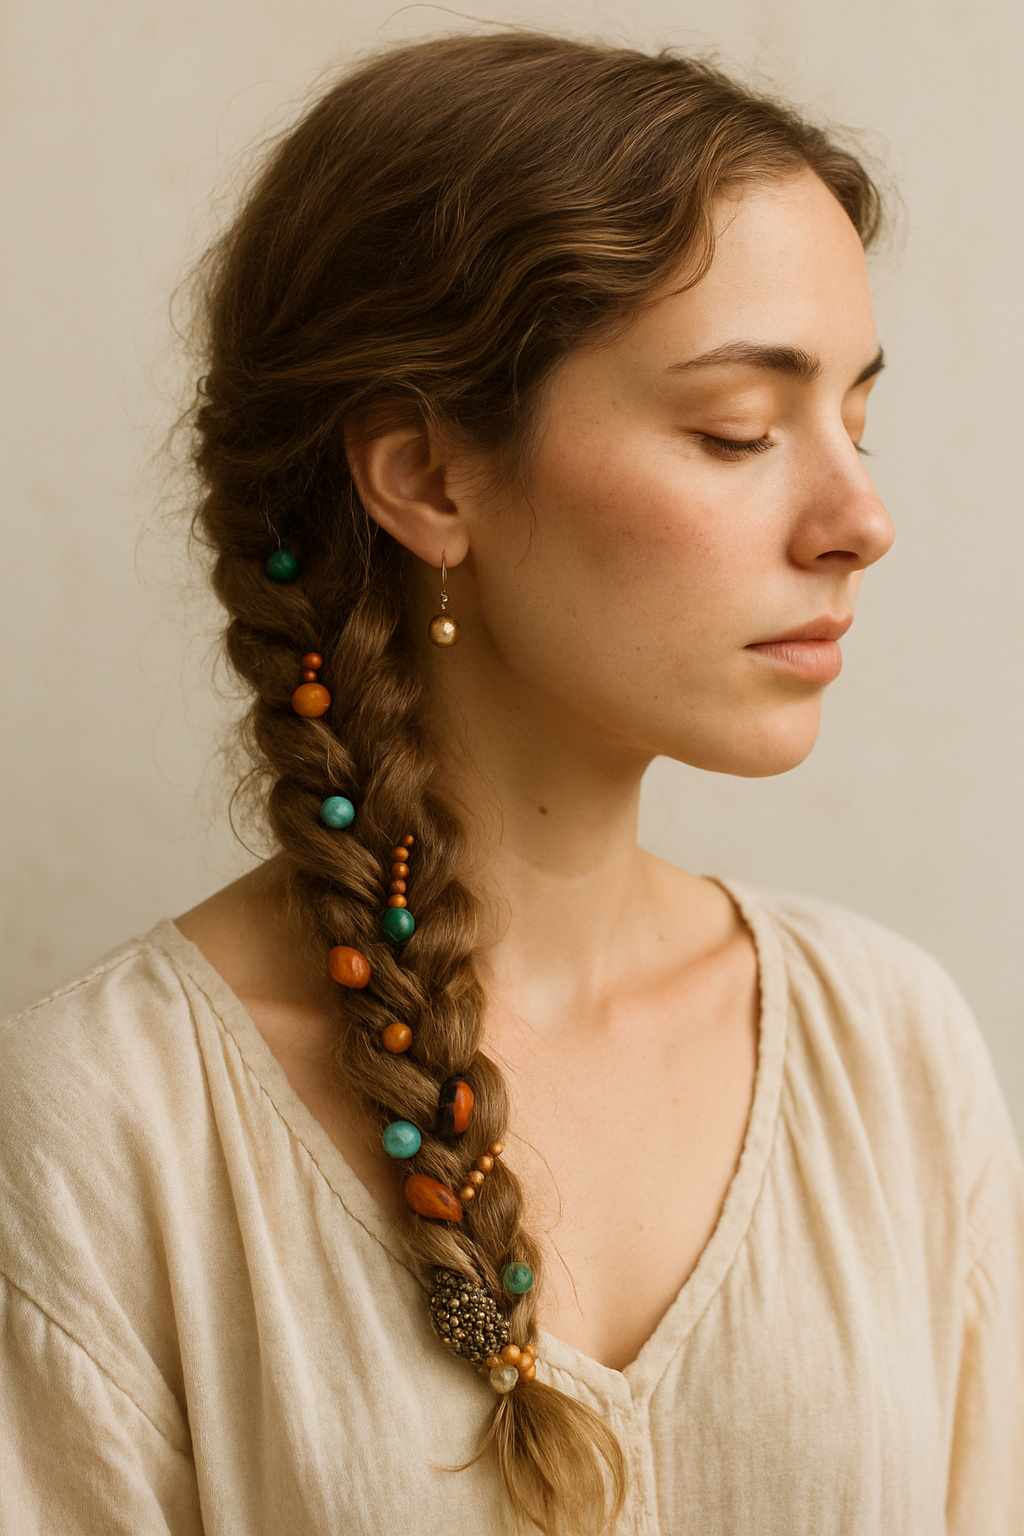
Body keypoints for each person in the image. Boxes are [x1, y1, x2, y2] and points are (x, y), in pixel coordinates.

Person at [1, 30, 1021, 1536]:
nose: (859, 516)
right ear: (426, 476)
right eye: (737, 429)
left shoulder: (890, 1053)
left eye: (856, 420)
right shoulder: (108, 1126)